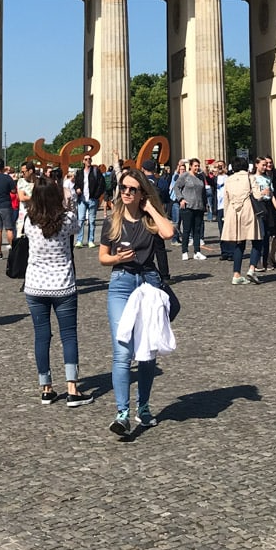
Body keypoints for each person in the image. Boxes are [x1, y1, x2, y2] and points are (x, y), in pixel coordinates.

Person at [99, 159, 175, 436]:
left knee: (147, 350)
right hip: (121, 284)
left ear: (142, 192)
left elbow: (168, 233)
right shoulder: (112, 220)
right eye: (123, 188)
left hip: (149, 285)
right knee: (122, 350)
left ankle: (143, 407)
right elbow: (102, 258)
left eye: (132, 189)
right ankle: (122, 413)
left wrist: (152, 208)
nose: (127, 193)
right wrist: (117, 257)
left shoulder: (150, 220)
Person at [22, 181, 93, 407]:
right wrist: (68, 199)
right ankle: (72, 388)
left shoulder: (28, 221)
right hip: (62, 284)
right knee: (68, 335)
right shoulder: (68, 220)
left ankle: (46, 388)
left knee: (42, 336)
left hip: (35, 285)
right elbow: (76, 224)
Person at [219, 158, 262, 284]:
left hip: (233, 210)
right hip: (248, 209)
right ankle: (252, 268)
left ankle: (236, 274)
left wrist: (226, 216)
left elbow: (225, 199)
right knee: (257, 240)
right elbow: (258, 196)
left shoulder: (229, 179)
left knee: (239, 243)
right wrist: (264, 192)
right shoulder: (250, 177)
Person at [175, 158, 207, 261]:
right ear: (191, 166)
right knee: (187, 230)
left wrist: (205, 204)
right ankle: (184, 251)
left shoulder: (201, 177)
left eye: (198, 166)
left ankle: (197, 251)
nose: (197, 168)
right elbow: (176, 187)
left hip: (199, 206)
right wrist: (181, 199)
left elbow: (203, 192)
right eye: (195, 166)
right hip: (188, 207)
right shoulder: (185, 176)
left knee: (197, 230)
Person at [73, 153, 106, 249]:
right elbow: (76, 184)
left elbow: (101, 184)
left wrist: (96, 196)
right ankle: (79, 240)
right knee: (81, 220)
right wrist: (77, 189)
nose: (88, 161)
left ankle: (91, 240)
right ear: (83, 161)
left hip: (92, 199)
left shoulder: (96, 171)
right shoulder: (79, 173)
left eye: (89, 159)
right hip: (82, 199)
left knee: (92, 221)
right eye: (86, 159)